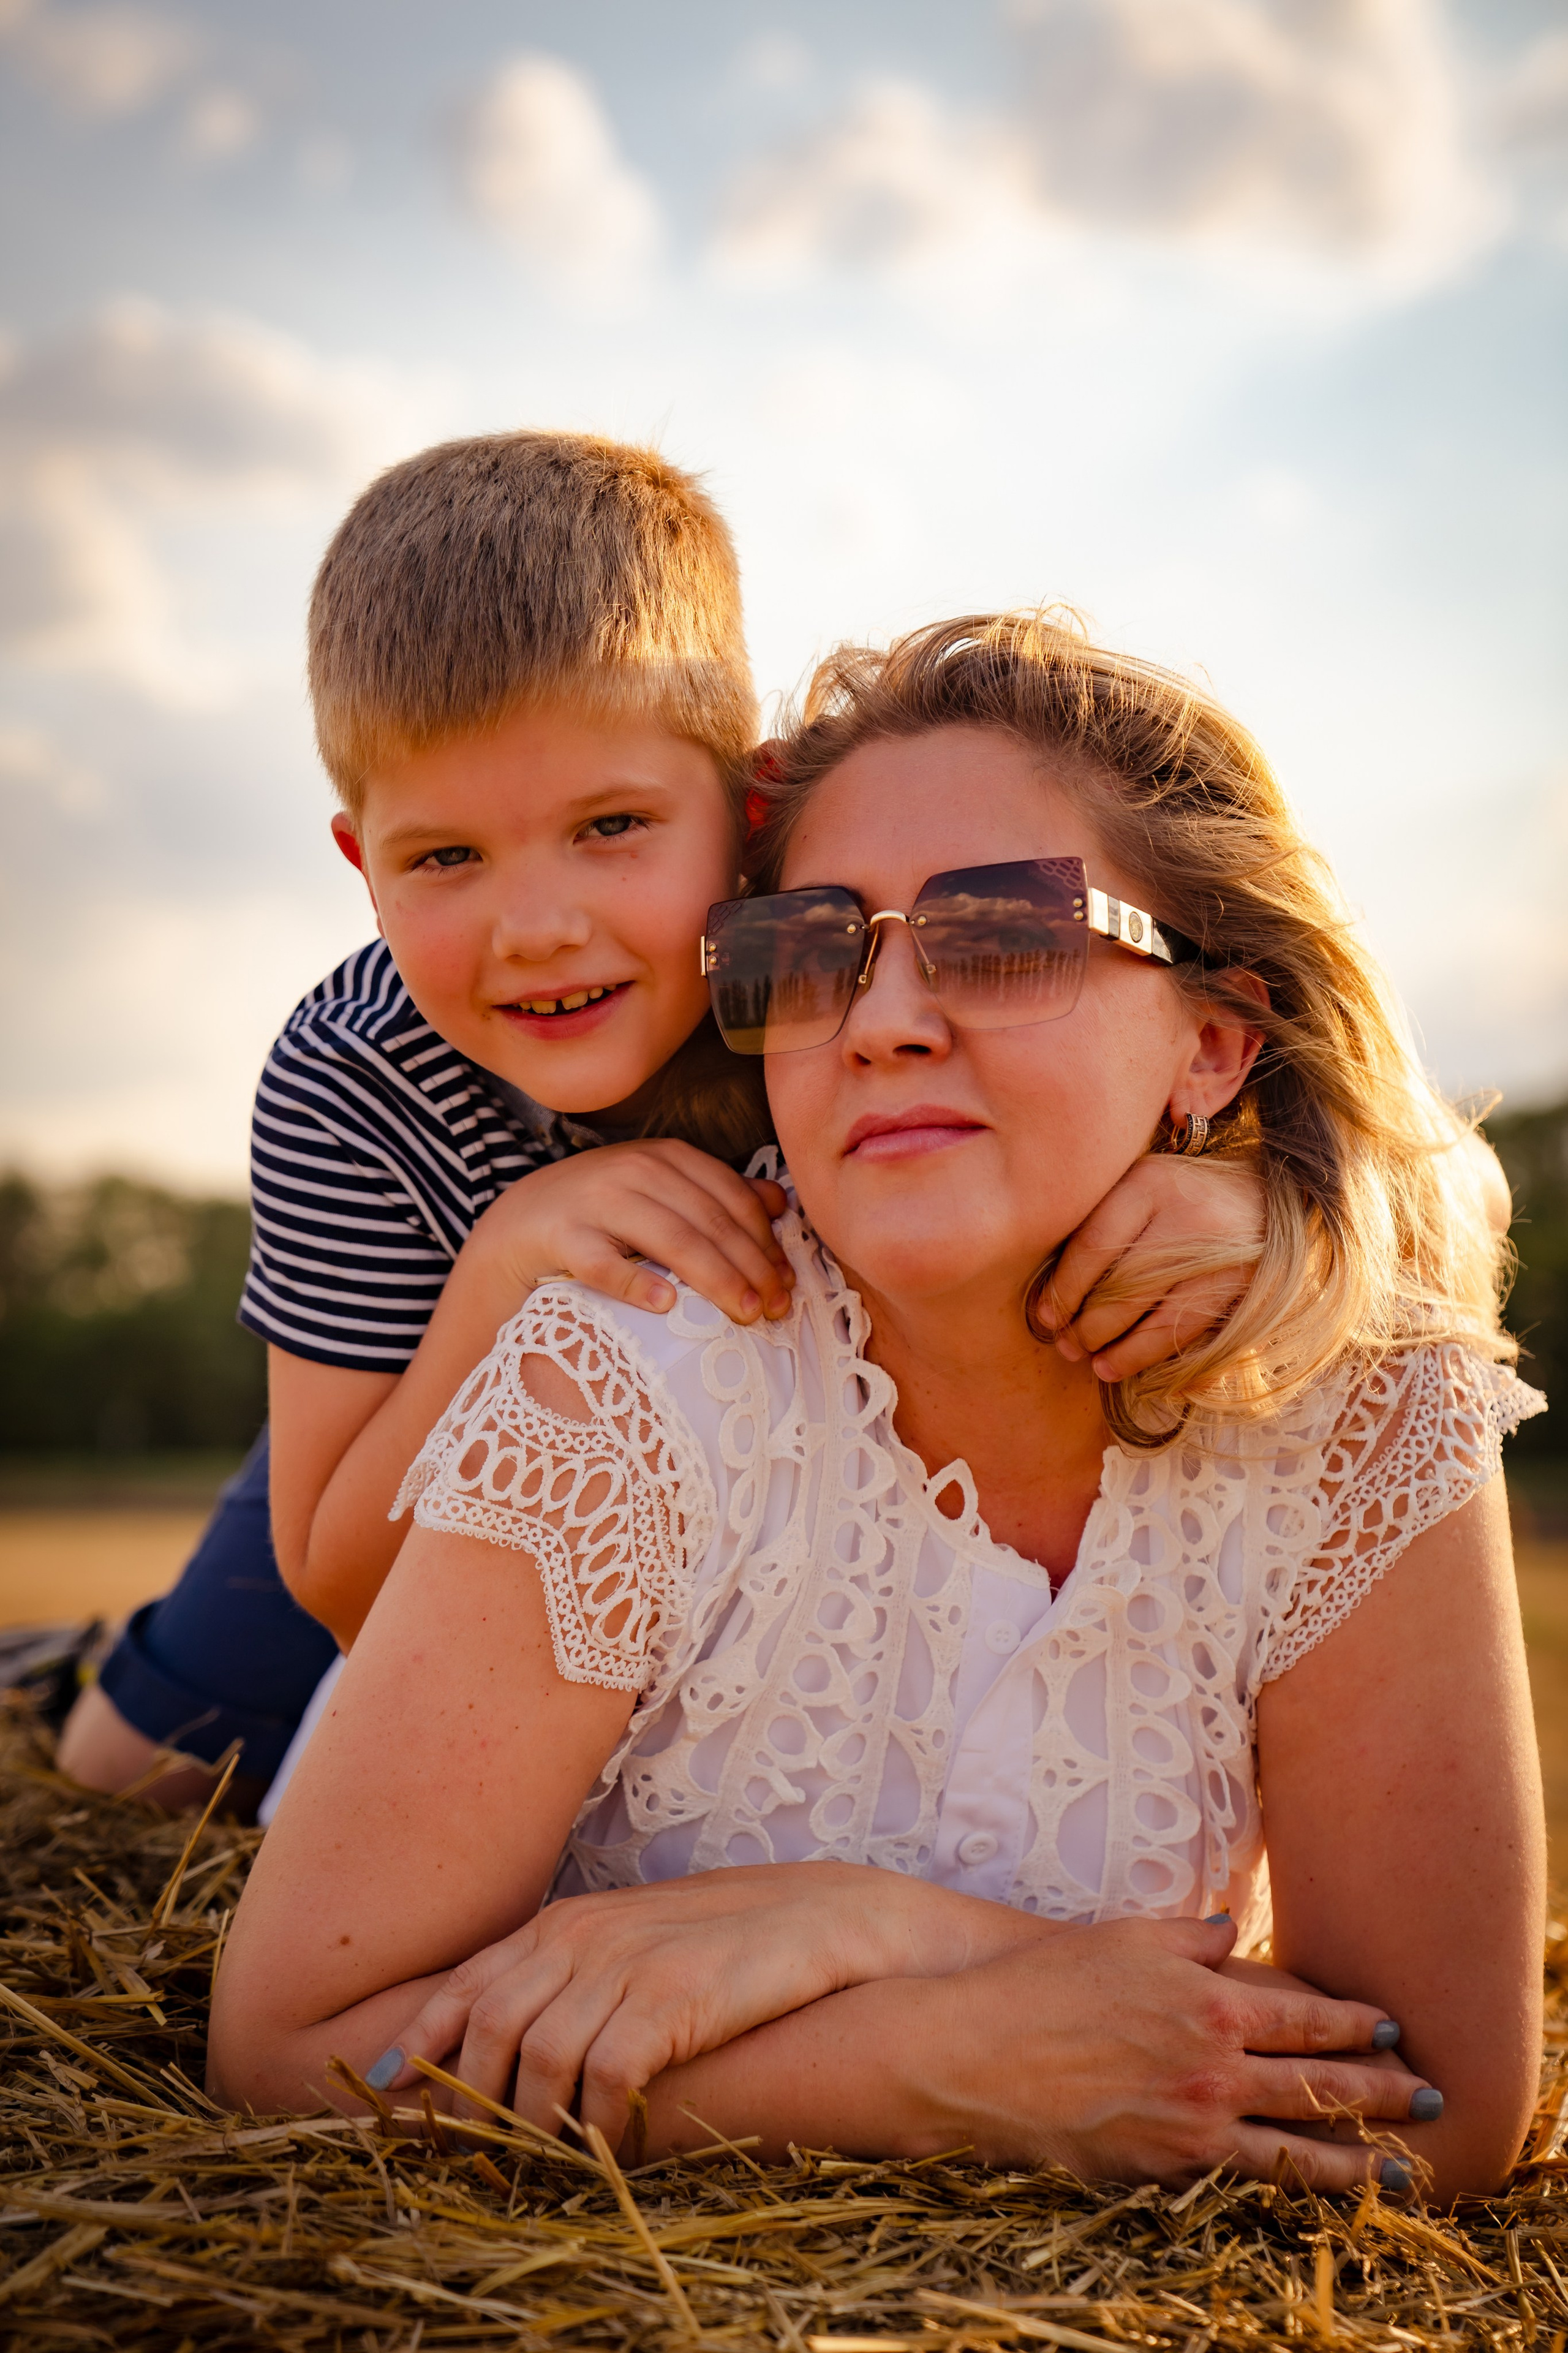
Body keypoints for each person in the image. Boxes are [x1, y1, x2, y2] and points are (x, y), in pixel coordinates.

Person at [209, 611, 1544, 2204]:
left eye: (1002, 935)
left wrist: (872, 1930)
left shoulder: (1366, 1408)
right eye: (806, 952)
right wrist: (938, 2060)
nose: (885, 1017)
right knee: (153, 1717)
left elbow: (1432, 2101)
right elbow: (293, 2043)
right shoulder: (624, 1372)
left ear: (1210, 1039)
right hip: (330, 1536)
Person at [59, 437, 1270, 1816]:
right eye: (445, 856)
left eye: (611, 826)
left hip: (763, 1486)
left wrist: (1242, 1189)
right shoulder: (353, 1075)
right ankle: (66, 1674)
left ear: (752, 810)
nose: (536, 927)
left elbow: (1340, 1127)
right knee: (131, 1774)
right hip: (404, 1395)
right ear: (363, 866)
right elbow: (340, 1583)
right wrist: (505, 1267)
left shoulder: (843, 970)